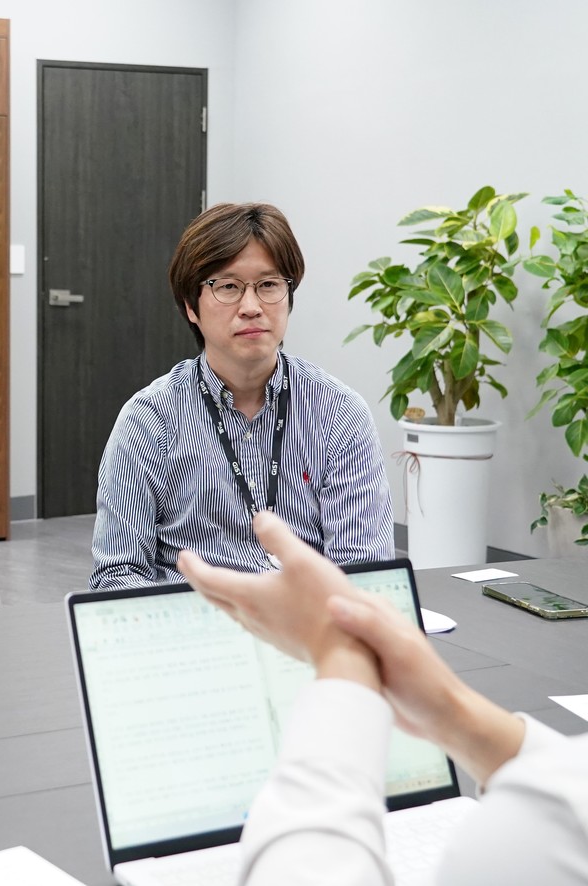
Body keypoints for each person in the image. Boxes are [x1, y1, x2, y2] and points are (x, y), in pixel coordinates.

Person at [177, 511, 588, 885]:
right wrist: (452, 712)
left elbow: (310, 871)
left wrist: (338, 650)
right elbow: (567, 793)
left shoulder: (519, 848)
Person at [91, 202, 394, 587]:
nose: (251, 308)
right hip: (199, 630)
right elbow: (118, 574)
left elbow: (363, 570)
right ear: (190, 307)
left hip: (308, 632)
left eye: (268, 285)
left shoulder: (338, 413)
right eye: (228, 287)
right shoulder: (149, 420)